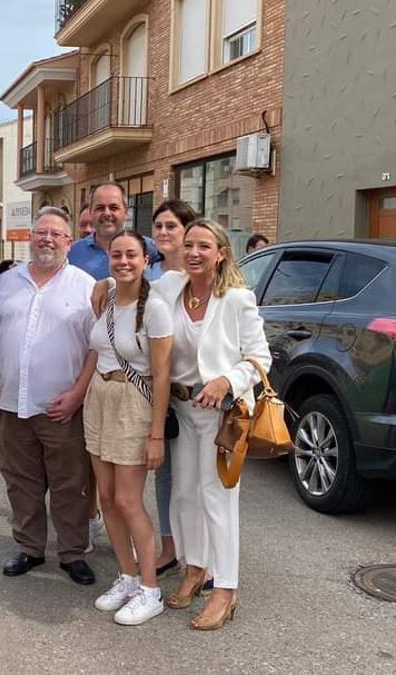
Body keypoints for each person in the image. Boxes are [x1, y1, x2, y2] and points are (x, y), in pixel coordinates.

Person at [153, 219, 270, 631]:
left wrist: (227, 381)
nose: (195, 253)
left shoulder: (237, 298)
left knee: (218, 499)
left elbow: (260, 358)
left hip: (223, 416)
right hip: (182, 410)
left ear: (221, 253)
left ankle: (226, 589)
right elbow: (134, 294)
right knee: (183, 495)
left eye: (204, 245)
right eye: (189, 245)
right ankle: (195, 567)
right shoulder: (170, 288)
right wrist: (105, 289)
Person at [0, 207, 97, 587]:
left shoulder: (86, 287)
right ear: (30, 237)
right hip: (13, 404)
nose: (47, 239)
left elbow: (99, 348)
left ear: (70, 242)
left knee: (71, 484)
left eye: (56, 234)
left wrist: (78, 394)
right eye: (41, 232)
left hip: (62, 407)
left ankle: (72, 552)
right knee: (21, 480)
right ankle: (30, 547)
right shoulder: (5, 284)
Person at [84, 230, 172, 626]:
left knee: (127, 500)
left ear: (145, 259)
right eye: (116, 255)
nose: (123, 261)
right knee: (105, 496)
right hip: (99, 400)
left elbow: (163, 375)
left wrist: (156, 435)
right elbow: (98, 348)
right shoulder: (104, 297)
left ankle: (150, 590)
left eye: (131, 255)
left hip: (133, 404)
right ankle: (128, 576)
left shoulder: (155, 307)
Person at [144, 200, 197, 577]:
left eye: (171, 227)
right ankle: (168, 545)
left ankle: (200, 553)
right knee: (165, 474)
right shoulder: (152, 279)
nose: (163, 233)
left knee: (198, 478)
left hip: (198, 392)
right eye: (158, 226)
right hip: (162, 390)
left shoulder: (204, 276)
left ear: (187, 231)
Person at [67, 183, 159, 281]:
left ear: (126, 212)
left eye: (113, 208)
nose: (107, 213)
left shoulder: (148, 247)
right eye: (100, 208)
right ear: (91, 212)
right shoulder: (72, 252)